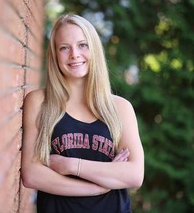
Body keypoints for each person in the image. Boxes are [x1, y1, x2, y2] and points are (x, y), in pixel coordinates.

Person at [21, 13, 144, 213]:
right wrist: (99, 187)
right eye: (64, 48)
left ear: (93, 49)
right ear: (54, 54)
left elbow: (134, 174)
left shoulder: (119, 108)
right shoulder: (40, 102)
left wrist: (71, 165)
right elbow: (32, 174)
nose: (74, 54)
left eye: (82, 45)